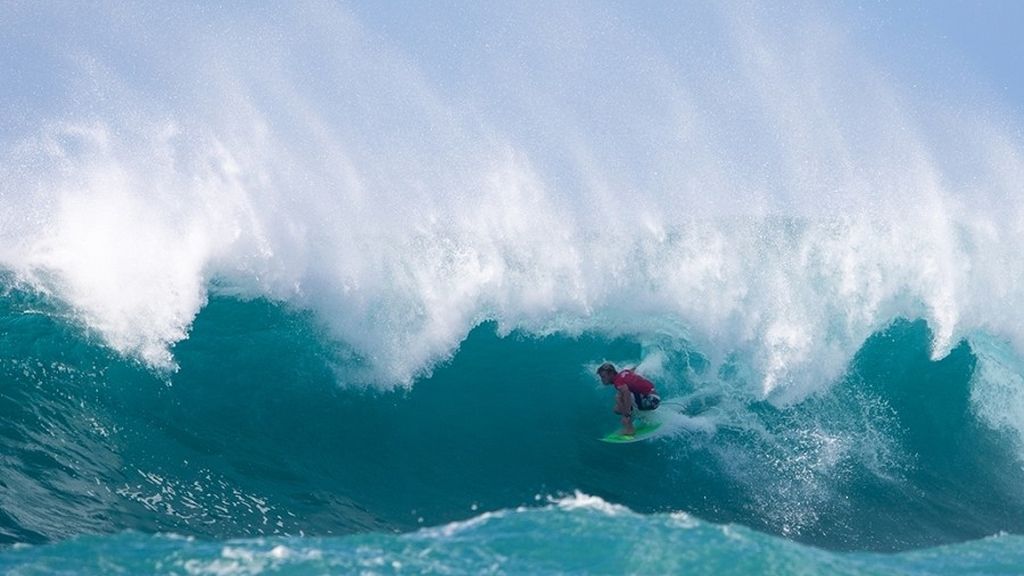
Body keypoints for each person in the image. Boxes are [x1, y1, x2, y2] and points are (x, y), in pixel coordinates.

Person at [596, 362, 660, 436]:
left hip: (650, 401)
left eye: (603, 377)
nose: (602, 380)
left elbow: (627, 394)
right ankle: (645, 418)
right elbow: (633, 369)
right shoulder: (624, 372)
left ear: (611, 374)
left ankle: (629, 429)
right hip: (655, 399)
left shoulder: (618, 382)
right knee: (619, 405)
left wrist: (626, 415)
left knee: (618, 399)